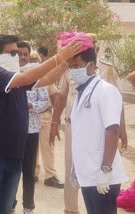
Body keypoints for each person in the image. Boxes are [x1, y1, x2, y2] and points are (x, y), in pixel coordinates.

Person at [0, 34, 82, 214]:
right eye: (11, 53)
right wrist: (59, 57)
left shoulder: (15, 77)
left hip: (14, 155)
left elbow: (46, 79)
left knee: (5, 208)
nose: (17, 57)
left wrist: (65, 63)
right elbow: (26, 79)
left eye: (17, 52)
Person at [50, 32, 128, 214]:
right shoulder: (82, 91)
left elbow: (112, 129)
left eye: (76, 66)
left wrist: (106, 170)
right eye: (70, 67)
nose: (73, 70)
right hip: (88, 174)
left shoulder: (105, 90)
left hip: (102, 175)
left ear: (91, 66)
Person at [16, 41, 51, 214]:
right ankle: (10, 203)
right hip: (12, 131)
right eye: (19, 54)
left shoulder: (36, 76)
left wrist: (31, 106)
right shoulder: (9, 75)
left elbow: (45, 102)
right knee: (11, 170)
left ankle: (28, 206)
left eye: (25, 54)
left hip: (31, 130)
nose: (22, 57)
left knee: (29, 171)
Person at [35, 46, 64, 188]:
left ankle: (50, 176)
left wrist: (55, 120)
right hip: (30, 117)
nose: (34, 62)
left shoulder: (46, 77)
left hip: (45, 115)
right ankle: (33, 173)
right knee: (31, 147)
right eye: (32, 60)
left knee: (48, 146)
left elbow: (54, 96)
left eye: (36, 60)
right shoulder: (22, 77)